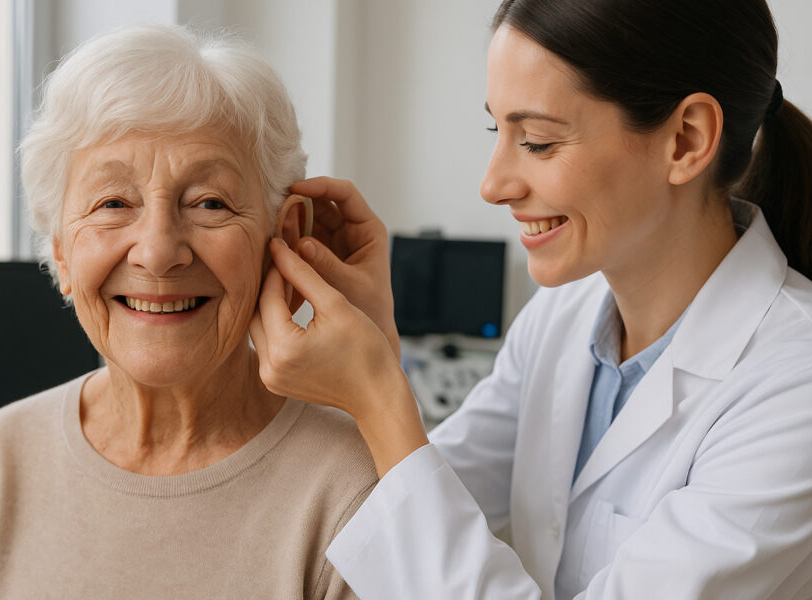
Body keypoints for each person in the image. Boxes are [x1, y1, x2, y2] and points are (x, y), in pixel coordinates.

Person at [249, 0, 812, 597]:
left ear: (685, 139)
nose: (493, 185)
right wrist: (376, 347)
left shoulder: (792, 385)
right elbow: (424, 499)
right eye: (499, 130)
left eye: (538, 141)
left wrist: (376, 394)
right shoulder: (563, 317)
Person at [0, 25, 376, 599]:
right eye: (113, 203)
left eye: (209, 203)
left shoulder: (353, 486)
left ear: (283, 237)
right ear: (63, 253)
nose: (159, 252)